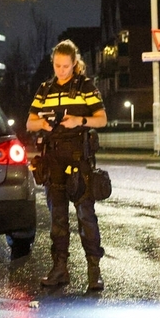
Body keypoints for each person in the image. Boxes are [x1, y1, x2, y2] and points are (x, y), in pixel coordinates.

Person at [26, 40, 108, 292]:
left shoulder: (85, 86)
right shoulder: (44, 89)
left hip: (78, 160)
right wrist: (42, 125)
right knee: (57, 220)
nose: (61, 70)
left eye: (65, 66)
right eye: (57, 65)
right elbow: (29, 122)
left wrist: (78, 120)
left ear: (75, 63)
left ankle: (94, 270)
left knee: (86, 216)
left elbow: (102, 119)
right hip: (53, 162)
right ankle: (59, 268)